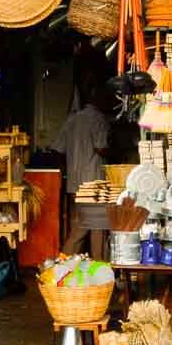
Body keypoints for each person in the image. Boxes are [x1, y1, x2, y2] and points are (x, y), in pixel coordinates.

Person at [52, 87, 113, 254]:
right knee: (95, 229)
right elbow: (101, 148)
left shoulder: (72, 120)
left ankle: (65, 266)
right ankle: (97, 271)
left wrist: (68, 170)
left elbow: (58, 149)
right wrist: (115, 150)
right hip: (93, 183)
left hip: (74, 184)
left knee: (78, 225)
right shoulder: (98, 118)